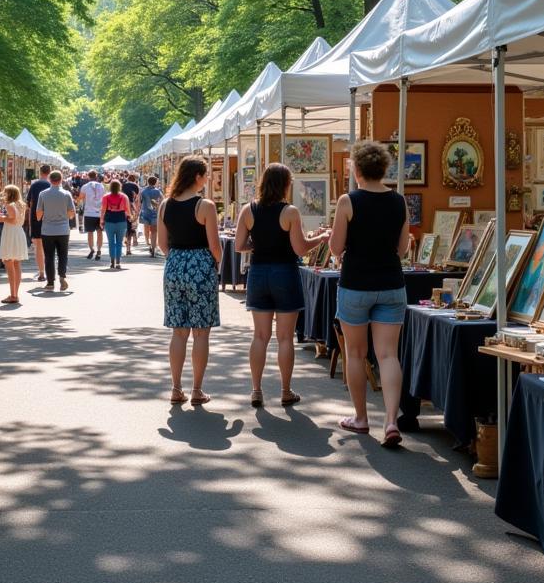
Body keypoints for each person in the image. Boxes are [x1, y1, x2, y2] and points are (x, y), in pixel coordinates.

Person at [327, 140, 411, 448]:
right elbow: (402, 249)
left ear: (357, 169)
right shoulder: (399, 201)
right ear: (383, 168)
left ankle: (361, 418)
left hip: (356, 285)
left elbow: (336, 247)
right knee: (388, 354)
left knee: (356, 353)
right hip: (391, 283)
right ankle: (391, 420)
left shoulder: (348, 201)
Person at [235, 163, 330, 408]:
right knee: (285, 337)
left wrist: (257, 246)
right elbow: (300, 248)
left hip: (258, 273)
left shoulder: (249, 210)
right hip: (285, 273)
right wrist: (320, 238)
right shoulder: (290, 212)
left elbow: (238, 246)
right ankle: (285, 390)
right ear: (285, 184)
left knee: (260, 336)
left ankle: (256, 389)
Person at [158, 156, 222, 405]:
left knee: (179, 331)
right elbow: (215, 246)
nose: (206, 180)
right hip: (201, 267)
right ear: (197, 176)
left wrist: (178, 259)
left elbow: (162, 244)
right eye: (205, 175)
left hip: (174, 266)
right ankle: (197, 389)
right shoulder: (205, 206)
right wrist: (215, 263)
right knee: (201, 333)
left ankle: (175, 387)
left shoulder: (166, 205)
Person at [35, 170, 76, 290]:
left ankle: (50, 282)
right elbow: (71, 213)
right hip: (63, 229)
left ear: (49, 179)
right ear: (61, 179)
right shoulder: (66, 194)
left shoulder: (43, 194)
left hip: (47, 230)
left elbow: (38, 214)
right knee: (63, 255)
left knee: (49, 256)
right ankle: (62, 277)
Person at [0, 185, 27, 304]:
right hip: (18, 232)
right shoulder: (21, 205)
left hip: (11, 233)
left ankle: (13, 294)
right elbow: (16, 219)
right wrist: (4, 217)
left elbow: (12, 219)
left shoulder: (10, 205)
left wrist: (1, 218)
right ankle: (15, 293)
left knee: (9, 262)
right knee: (16, 263)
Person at [26, 164, 52, 282]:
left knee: (38, 247)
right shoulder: (52, 185)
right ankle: (49, 271)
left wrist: (30, 223)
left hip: (36, 218)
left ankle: (41, 272)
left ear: (40, 171)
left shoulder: (35, 185)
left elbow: (30, 204)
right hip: (50, 219)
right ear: (49, 172)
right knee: (49, 247)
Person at [100, 179, 131, 270]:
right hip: (121, 219)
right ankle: (118, 261)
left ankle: (112, 261)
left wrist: (101, 220)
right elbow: (127, 210)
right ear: (119, 187)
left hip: (109, 220)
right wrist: (129, 217)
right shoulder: (124, 197)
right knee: (119, 242)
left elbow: (103, 210)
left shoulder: (106, 197)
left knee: (111, 242)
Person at [80, 170, 105, 260]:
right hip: (99, 212)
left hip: (89, 212)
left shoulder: (85, 186)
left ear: (88, 176)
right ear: (96, 176)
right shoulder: (101, 186)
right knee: (99, 232)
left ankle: (91, 249)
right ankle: (99, 249)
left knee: (90, 232)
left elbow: (81, 197)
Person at [139, 175, 164, 256]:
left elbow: (140, 201)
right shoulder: (158, 191)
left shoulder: (143, 191)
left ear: (148, 182)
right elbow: (162, 201)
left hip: (145, 212)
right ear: (155, 182)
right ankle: (153, 248)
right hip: (155, 213)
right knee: (154, 231)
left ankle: (147, 242)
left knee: (146, 229)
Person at [122, 172, 141, 255]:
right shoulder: (136, 186)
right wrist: (137, 210)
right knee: (131, 226)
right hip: (132, 208)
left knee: (125, 226)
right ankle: (129, 248)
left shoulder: (123, 185)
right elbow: (137, 200)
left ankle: (126, 241)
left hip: (122, 209)